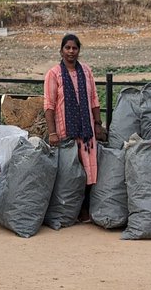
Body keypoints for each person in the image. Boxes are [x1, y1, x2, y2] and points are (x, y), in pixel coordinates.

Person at [43, 33, 106, 221]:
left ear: (79, 50)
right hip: (65, 133)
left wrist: (97, 124)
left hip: (86, 133)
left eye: (74, 48)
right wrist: (52, 132)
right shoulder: (54, 74)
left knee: (88, 171)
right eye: (67, 48)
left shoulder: (86, 72)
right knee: (69, 173)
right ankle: (69, 211)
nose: (71, 51)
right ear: (61, 50)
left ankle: (84, 210)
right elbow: (49, 105)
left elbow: (94, 99)